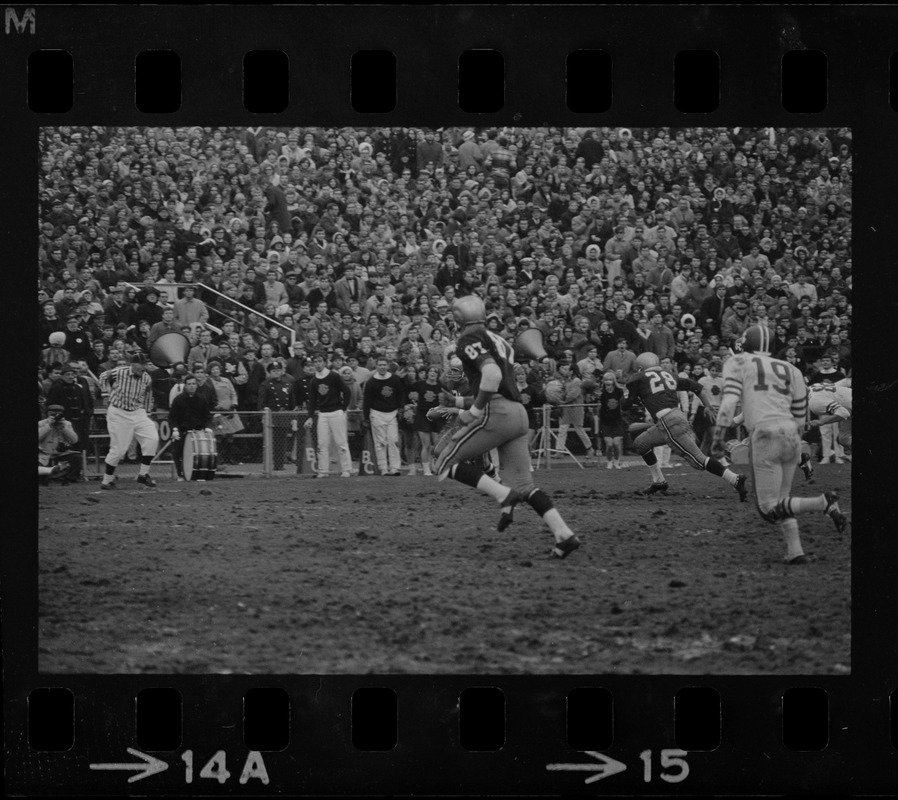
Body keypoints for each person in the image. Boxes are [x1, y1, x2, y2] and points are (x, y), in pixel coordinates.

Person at [432, 295, 581, 559]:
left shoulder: (470, 339)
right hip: (518, 413)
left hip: (497, 412)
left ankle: (503, 496)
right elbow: (495, 383)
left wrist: (474, 410)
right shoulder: (498, 339)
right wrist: (460, 401)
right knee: (525, 484)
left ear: (457, 319)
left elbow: (492, 376)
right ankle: (564, 534)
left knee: (441, 461)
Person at [714, 326, 848, 564]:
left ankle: (822, 503)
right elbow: (799, 411)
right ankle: (795, 551)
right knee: (783, 499)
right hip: (790, 434)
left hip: (765, 435)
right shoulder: (792, 369)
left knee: (768, 508)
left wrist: (718, 438)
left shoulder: (740, 366)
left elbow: (728, 404)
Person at [622, 351, 748, 499]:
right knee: (641, 444)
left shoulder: (637, 378)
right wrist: (707, 406)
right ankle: (659, 481)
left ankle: (735, 479)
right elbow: (698, 388)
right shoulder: (670, 375)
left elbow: (625, 406)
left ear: (640, 367)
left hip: (669, 422)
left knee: (698, 460)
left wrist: (629, 394)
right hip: (674, 417)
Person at [97, 353, 159, 488]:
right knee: (119, 449)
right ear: (133, 364)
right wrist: (105, 393)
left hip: (137, 411)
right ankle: (107, 481)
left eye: (144, 364)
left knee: (152, 438)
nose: (143, 367)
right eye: (141, 364)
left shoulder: (147, 378)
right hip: (119, 411)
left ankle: (143, 474)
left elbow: (148, 394)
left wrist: (148, 412)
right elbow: (102, 377)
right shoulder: (119, 372)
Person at [303, 354, 353, 478]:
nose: (318, 364)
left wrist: (343, 408)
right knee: (322, 444)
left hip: (336, 412)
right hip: (323, 414)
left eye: (320, 361)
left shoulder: (334, 376)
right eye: (315, 362)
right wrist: (310, 416)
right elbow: (312, 400)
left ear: (325, 362)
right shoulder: (314, 381)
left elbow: (346, 391)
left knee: (341, 442)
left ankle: (346, 469)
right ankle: (323, 470)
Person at [362, 357, 405, 476]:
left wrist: (401, 408)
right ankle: (383, 468)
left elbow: (400, 395)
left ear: (388, 366)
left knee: (393, 440)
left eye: (384, 364)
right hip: (377, 414)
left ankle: (395, 468)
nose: (382, 367)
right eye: (379, 364)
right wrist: (366, 417)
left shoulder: (395, 379)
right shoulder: (371, 382)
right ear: (376, 366)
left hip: (392, 413)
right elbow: (367, 401)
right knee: (380, 442)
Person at [167, 374, 214, 480]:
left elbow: (207, 416)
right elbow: (172, 417)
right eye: (189, 384)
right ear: (185, 386)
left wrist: (207, 427)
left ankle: (198, 474)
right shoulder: (178, 400)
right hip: (181, 431)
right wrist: (175, 430)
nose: (191, 386)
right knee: (177, 451)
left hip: (198, 432)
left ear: (196, 385)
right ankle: (181, 474)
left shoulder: (202, 399)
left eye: (193, 384)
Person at [257, 361, 296, 471]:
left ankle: (279, 464)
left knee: (281, 441)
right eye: (274, 371)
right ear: (269, 372)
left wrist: (293, 417)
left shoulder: (287, 384)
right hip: (271, 416)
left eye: (278, 370)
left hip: (283, 416)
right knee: (270, 441)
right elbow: (261, 402)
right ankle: (269, 464)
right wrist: (263, 413)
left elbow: (292, 402)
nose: (276, 373)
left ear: (282, 371)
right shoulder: (265, 384)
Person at [413, 365, 443, 476]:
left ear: (438, 374)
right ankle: (426, 469)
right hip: (422, 416)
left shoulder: (441, 386)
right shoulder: (419, 385)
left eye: (435, 371)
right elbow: (407, 391)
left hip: (436, 417)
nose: (433, 373)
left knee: (436, 445)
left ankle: (434, 465)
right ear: (427, 373)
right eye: (431, 371)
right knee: (425, 444)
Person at [38, 404, 81, 482]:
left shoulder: (66, 424)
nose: (56, 416)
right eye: (53, 414)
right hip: (44, 453)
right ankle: (51, 475)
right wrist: (48, 427)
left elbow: (74, 440)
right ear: (48, 414)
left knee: (76, 457)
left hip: (61, 453)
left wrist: (63, 428)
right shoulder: (41, 423)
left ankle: (68, 477)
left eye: (58, 414)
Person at [597, 371, 625, 469]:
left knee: (616, 443)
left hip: (616, 420)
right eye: (606, 380)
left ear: (613, 381)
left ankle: (616, 462)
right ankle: (609, 462)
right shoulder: (602, 393)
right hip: (606, 421)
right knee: (609, 444)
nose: (608, 382)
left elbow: (623, 403)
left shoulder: (619, 391)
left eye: (610, 379)